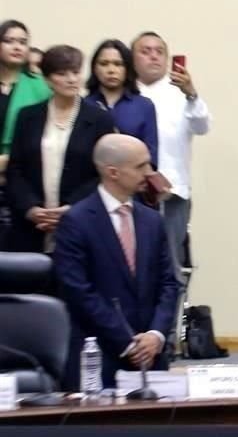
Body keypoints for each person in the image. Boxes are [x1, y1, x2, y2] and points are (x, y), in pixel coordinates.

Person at [53, 134, 179, 391]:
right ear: (113, 172)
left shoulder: (152, 221)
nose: (149, 172)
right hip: (100, 355)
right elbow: (78, 291)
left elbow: (169, 282)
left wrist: (156, 335)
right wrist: (126, 341)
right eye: (140, 166)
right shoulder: (76, 221)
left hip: (152, 356)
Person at [5, 46, 115, 253]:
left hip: (81, 221)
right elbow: (16, 169)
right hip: (31, 225)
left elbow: (103, 173)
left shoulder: (100, 119)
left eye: (75, 72)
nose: (71, 79)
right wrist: (31, 209)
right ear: (47, 80)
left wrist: (71, 208)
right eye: (62, 74)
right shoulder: (28, 117)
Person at [132, 32, 210, 271]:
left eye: (159, 51)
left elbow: (202, 126)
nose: (153, 57)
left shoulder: (181, 92)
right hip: (130, 192)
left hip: (172, 192)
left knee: (169, 266)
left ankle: (169, 310)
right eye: (145, 51)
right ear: (132, 58)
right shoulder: (125, 92)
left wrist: (191, 94)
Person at [0, 21, 50, 249]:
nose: (17, 47)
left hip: (24, 177)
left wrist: (6, 162)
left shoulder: (40, 86)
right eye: (9, 41)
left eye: (22, 42)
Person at [84, 39, 159, 168]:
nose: (111, 70)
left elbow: (151, 156)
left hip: (133, 182)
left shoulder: (144, 106)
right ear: (94, 69)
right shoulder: (84, 105)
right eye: (104, 64)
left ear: (127, 69)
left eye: (118, 64)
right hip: (92, 183)